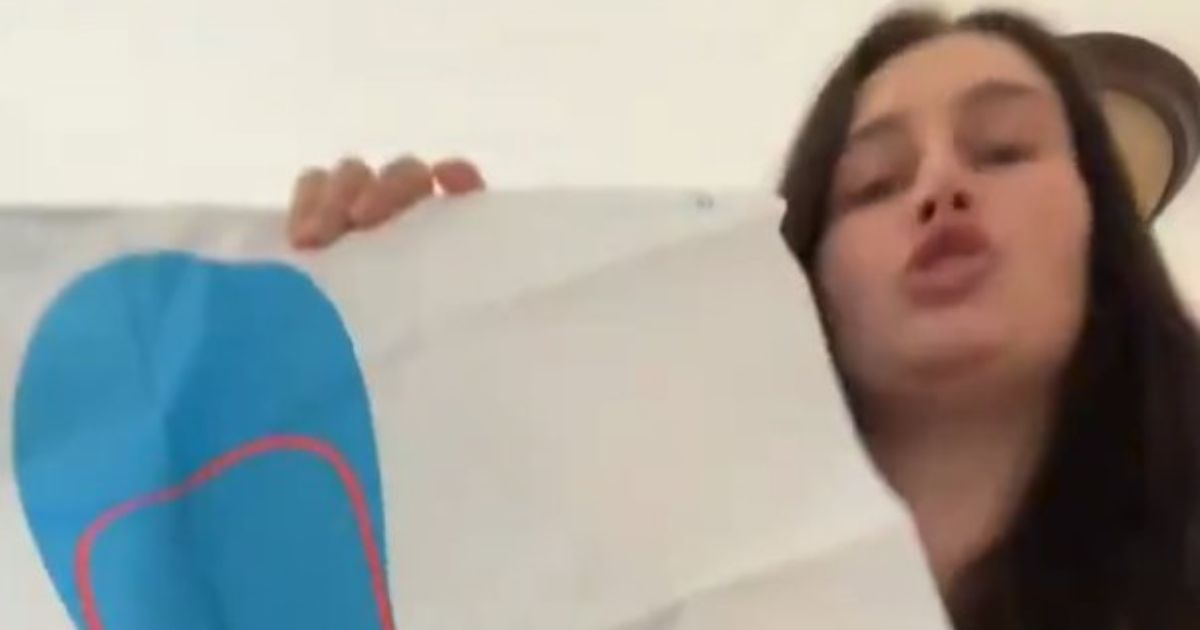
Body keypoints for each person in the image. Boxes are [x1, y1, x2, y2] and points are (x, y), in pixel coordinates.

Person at [284, 7, 1200, 629]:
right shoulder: (638, 571)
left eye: (1001, 150)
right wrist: (395, 314)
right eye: (875, 183)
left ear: (1103, 226)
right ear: (806, 276)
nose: (939, 187)